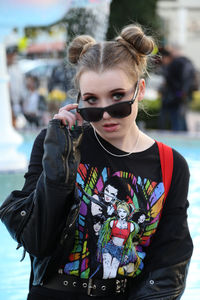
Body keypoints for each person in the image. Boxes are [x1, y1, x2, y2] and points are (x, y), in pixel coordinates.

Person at [0, 24, 193, 300]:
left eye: (117, 98)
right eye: (91, 101)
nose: (105, 114)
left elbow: (170, 261)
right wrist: (59, 161)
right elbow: (36, 241)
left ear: (139, 89)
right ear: (78, 101)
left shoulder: (170, 164)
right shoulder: (56, 144)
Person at [159, 46, 197, 131]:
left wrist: (178, 95)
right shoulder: (184, 62)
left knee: (175, 118)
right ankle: (184, 137)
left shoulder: (174, 65)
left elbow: (174, 84)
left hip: (177, 97)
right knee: (181, 118)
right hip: (182, 96)